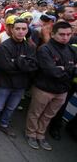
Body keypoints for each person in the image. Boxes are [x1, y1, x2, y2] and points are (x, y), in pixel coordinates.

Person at [25, 21, 77, 151]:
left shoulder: (72, 50)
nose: (65, 37)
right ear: (53, 34)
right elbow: (52, 72)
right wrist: (69, 69)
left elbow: (69, 71)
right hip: (44, 88)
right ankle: (30, 133)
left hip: (62, 90)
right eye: (62, 34)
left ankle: (41, 134)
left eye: (68, 34)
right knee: (35, 113)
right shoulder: (45, 49)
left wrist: (63, 69)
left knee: (49, 115)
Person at [0, 19, 38, 138]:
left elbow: (33, 65)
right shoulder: (4, 46)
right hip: (4, 83)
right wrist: (23, 64)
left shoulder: (30, 46)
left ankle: (4, 124)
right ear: (12, 30)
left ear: (27, 30)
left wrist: (16, 61)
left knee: (11, 108)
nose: (21, 31)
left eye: (24, 29)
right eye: (18, 29)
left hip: (20, 85)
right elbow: (6, 67)